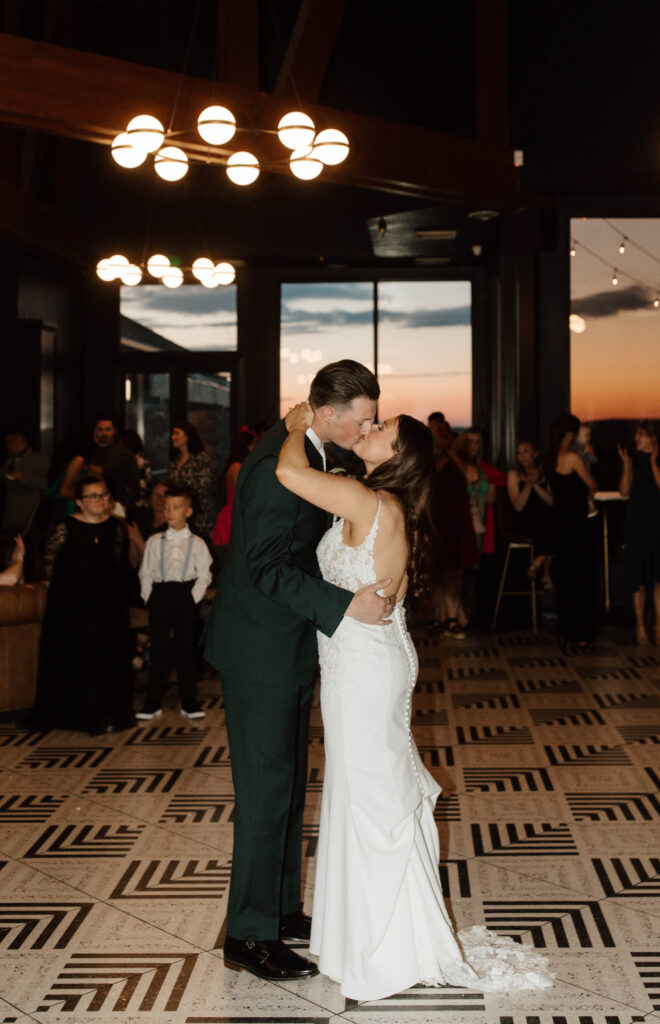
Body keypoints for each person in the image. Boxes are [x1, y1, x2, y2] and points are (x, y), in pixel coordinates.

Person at [276, 401, 553, 1000]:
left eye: (380, 430)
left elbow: (290, 476)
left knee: (372, 802)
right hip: (367, 661)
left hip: (365, 668)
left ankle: (386, 949)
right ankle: (368, 935)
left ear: (396, 456)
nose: (369, 430)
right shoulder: (384, 502)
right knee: (366, 795)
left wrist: (296, 425)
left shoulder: (370, 502)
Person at [202, 360, 395, 983]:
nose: (367, 427)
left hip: (285, 648)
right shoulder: (273, 471)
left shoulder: (306, 449)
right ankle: (248, 935)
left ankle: (281, 909)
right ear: (327, 414)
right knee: (264, 795)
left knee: (285, 788)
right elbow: (263, 566)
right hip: (259, 652)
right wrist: (346, 607)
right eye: (362, 418)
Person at [25, 476, 136, 734]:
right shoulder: (65, 527)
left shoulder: (115, 528)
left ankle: (111, 712)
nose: (100, 500)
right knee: (79, 659)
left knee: (109, 657)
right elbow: (49, 566)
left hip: (108, 606)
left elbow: (117, 563)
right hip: (72, 608)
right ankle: (79, 716)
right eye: (93, 496)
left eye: (103, 494)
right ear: (79, 502)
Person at [137, 484, 213, 720]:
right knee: (158, 648)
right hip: (160, 594)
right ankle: (153, 700)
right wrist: (149, 595)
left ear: (188, 512)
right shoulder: (154, 541)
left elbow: (205, 574)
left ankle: (189, 700)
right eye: (167, 507)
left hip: (184, 595)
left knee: (185, 649)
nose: (170, 512)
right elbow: (146, 572)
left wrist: (192, 598)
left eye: (176, 507)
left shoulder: (198, 543)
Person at [618, 422, 660, 644]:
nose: (636, 439)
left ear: (653, 439)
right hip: (636, 522)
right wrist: (626, 465)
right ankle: (640, 626)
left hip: (659, 523)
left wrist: (653, 463)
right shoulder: (632, 461)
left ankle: (659, 625)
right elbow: (624, 491)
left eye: (641, 435)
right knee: (638, 575)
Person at [548, 413, 598, 652]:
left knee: (566, 578)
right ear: (570, 434)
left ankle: (566, 631)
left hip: (559, 523)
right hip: (577, 525)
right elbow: (593, 485)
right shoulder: (572, 457)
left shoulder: (551, 457)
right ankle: (582, 633)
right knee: (582, 579)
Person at [428, 419, 478, 638]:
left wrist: (450, 451)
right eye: (435, 432)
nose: (440, 435)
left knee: (453, 574)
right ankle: (435, 618)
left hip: (455, 522)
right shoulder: (424, 460)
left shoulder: (457, 459)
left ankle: (452, 618)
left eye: (443, 432)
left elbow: (472, 476)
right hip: (431, 522)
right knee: (430, 574)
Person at [506, 440, 555, 590]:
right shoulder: (514, 475)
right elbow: (518, 506)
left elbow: (551, 501)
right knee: (548, 528)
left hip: (544, 520)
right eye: (519, 452)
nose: (522, 456)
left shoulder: (544, 473)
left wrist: (535, 484)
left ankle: (537, 564)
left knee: (555, 525)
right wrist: (528, 484)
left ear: (535, 454)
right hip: (522, 522)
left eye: (526, 451)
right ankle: (545, 574)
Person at [166, 421, 216, 540]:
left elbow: (205, 486)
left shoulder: (200, 458)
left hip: (199, 514)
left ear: (187, 436)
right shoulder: (174, 460)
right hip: (178, 513)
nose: (173, 437)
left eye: (177, 433)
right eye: (172, 434)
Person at [211, 430, 256, 549]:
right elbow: (240, 492)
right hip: (233, 515)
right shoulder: (237, 467)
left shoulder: (236, 465)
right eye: (253, 445)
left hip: (233, 513)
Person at [86, 417, 140, 511]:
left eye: (108, 429)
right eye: (100, 429)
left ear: (114, 431)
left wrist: (124, 506)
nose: (104, 433)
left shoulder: (125, 455)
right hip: (89, 507)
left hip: (115, 508)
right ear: (95, 431)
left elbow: (134, 486)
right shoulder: (88, 453)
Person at [1, 430, 49, 531]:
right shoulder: (10, 460)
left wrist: (23, 477)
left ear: (18, 441)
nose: (7, 446)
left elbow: (46, 482)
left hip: (28, 510)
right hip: (11, 512)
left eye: (10, 442)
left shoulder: (39, 458)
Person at [121, 429, 153, 508]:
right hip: (141, 502)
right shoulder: (143, 460)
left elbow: (141, 485)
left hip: (137, 503)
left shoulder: (137, 461)